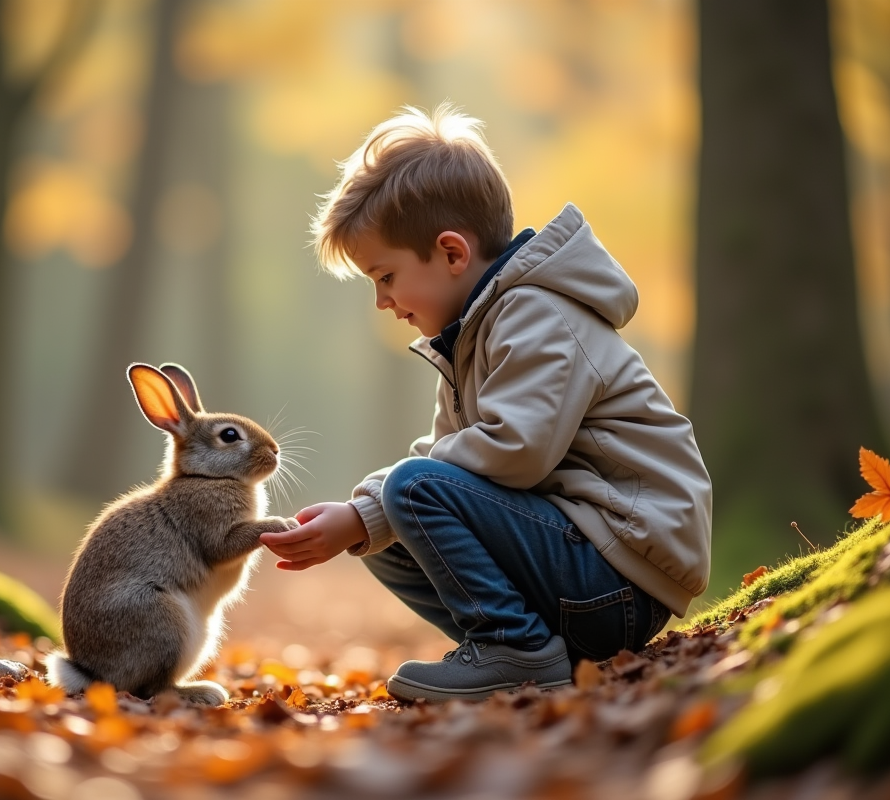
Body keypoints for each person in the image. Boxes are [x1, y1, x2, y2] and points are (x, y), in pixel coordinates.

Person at [260, 103, 712, 703]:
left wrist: (386, 499)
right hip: (584, 570)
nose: (382, 302)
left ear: (451, 253)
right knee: (386, 523)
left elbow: (515, 450)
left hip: (618, 577)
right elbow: (447, 456)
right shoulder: (469, 339)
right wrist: (358, 516)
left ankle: (515, 649)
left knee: (409, 492)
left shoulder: (538, 314)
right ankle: (526, 647)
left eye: (385, 277)